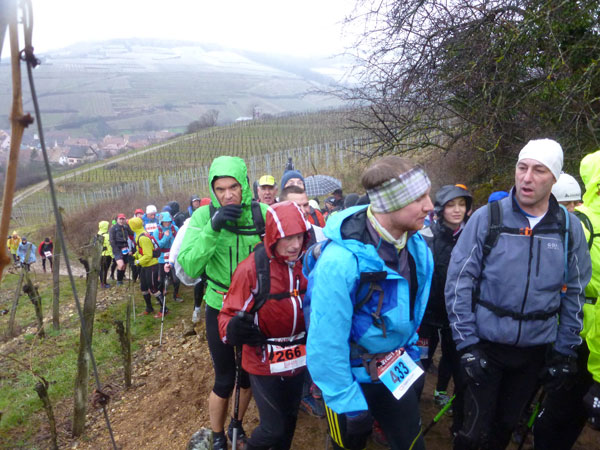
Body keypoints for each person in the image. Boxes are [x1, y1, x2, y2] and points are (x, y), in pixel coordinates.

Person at [444, 138, 592, 450]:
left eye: (539, 170)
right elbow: (459, 282)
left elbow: (575, 291)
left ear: (555, 177)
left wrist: (564, 351)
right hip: (486, 345)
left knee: (504, 428)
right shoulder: (488, 218)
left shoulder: (568, 228)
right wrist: (467, 344)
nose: (527, 177)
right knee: (473, 433)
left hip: (534, 352)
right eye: (522, 167)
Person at [305, 155, 434, 450]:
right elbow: (325, 343)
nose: (430, 205)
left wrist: (411, 353)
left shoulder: (417, 247)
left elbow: (411, 310)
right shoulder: (339, 262)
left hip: (394, 367)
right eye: (419, 198)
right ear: (390, 204)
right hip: (348, 378)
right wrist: (346, 401)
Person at [178, 156, 268, 449]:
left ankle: (236, 425)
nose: (227, 195)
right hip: (219, 306)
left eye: (233, 187)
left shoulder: (262, 214)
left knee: (248, 376)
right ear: (212, 190)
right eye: (220, 189)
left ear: (244, 185)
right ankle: (217, 436)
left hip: (255, 307)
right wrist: (213, 228)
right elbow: (190, 266)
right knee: (225, 378)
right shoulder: (202, 217)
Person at [218, 201, 310, 450]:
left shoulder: (307, 263)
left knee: (290, 419)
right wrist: (233, 329)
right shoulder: (252, 269)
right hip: (263, 359)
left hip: (299, 356)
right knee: (273, 428)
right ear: (273, 236)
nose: (295, 245)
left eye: (299, 236)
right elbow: (226, 317)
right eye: (287, 238)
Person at [534, 149, 600, 448]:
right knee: (563, 409)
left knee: (571, 412)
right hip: (579, 333)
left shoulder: (580, 221)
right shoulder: (582, 223)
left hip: (585, 333)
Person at [419, 184, 472, 434]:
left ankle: (443, 394)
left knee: (454, 360)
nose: (457, 210)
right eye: (451, 205)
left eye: (462, 204)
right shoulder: (425, 236)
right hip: (427, 314)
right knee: (421, 360)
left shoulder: (472, 236)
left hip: (457, 315)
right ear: (440, 209)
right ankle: (413, 404)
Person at [129, 217, 168, 318]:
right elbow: (141, 251)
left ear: (133, 227)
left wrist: (137, 262)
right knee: (143, 287)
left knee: (153, 288)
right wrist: (134, 256)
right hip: (145, 265)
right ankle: (149, 308)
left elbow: (148, 255)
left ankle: (164, 309)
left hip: (151, 265)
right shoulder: (139, 234)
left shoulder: (143, 237)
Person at [153, 211, 182, 302]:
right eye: (165, 222)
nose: (167, 224)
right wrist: (166, 237)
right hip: (162, 258)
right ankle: (160, 296)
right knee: (161, 280)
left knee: (176, 279)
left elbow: (179, 242)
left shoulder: (175, 228)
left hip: (173, 257)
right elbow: (158, 245)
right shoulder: (157, 231)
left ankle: (176, 295)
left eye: (169, 222)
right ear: (161, 222)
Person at [109, 213, 133, 286]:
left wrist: (129, 224)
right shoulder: (113, 228)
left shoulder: (125, 227)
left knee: (124, 265)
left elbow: (132, 233)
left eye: (123, 219)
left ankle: (121, 279)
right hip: (117, 248)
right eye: (120, 219)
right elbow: (111, 240)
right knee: (120, 264)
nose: (121, 221)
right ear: (117, 220)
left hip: (125, 247)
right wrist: (115, 249)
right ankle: (118, 281)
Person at [98, 221, 113, 289]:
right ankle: (103, 284)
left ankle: (103, 282)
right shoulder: (106, 236)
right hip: (106, 255)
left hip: (100, 254)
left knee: (102, 269)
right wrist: (113, 256)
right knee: (105, 270)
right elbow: (109, 247)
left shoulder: (99, 233)